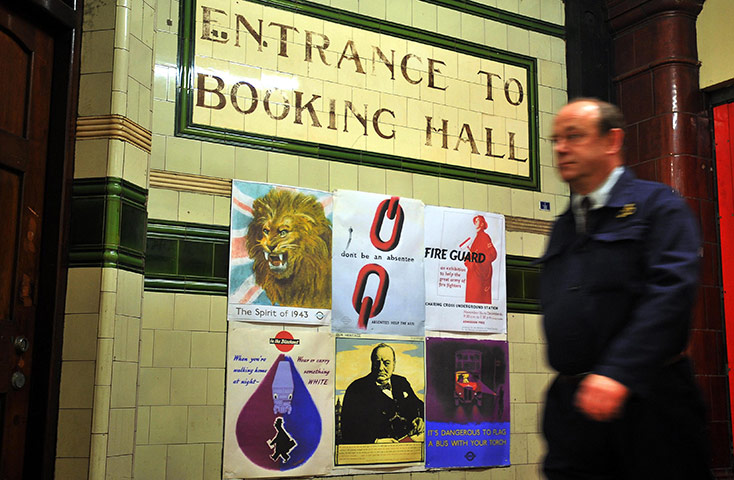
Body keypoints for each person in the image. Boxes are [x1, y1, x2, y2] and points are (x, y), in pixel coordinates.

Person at [539, 98, 712, 479]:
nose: (560, 148)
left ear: (611, 141)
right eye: (555, 139)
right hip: (576, 409)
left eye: (574, 136)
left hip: (647, 402)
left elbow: (671, 293)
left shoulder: (657, 207)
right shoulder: (565, 226)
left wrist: (618, 372)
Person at [339, 343, 424, 444]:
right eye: (377, 362)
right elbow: (348, 429)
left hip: (406, 447)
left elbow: (418, 406)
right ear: (371, 363)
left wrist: (419, 418)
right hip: (373, 452)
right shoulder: (356, 389)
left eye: (386, 363)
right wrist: (376, 441)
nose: (380, 368)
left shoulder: (401, 382)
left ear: (394, 364)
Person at [464, 215, 498, 304]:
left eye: (477, 220)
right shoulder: (476, 239)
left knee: (478, 299)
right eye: (474, 221)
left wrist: (479, 262)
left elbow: (492, 254)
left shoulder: (484, 237)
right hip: (473, 275)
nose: (475, 222)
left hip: (480, 275)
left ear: (482, 223)